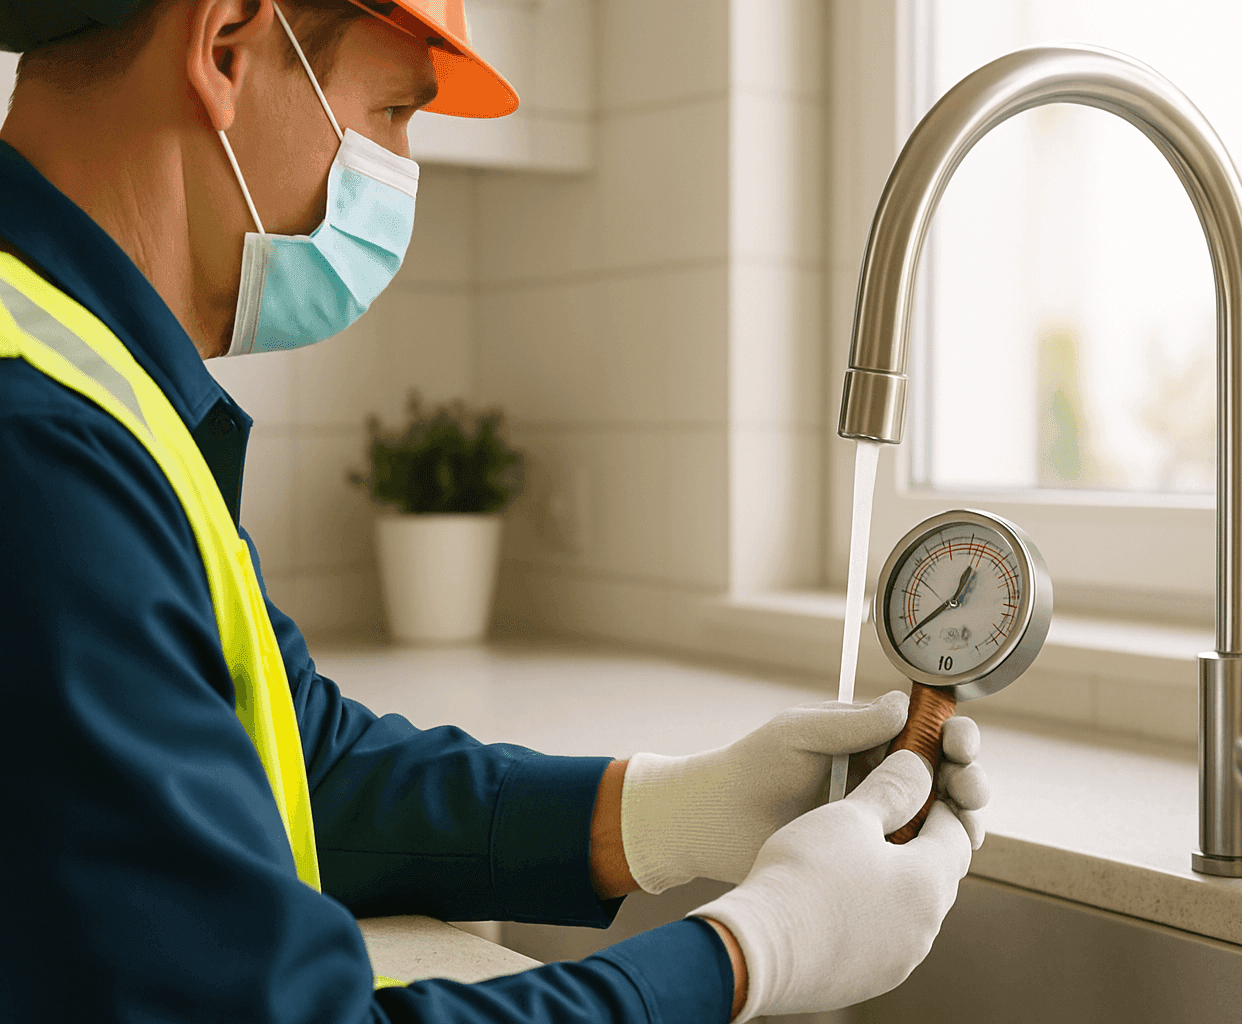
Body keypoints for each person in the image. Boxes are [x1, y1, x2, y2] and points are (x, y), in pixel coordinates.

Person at [0, 2, 990, 1021]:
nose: (399, 170)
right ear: (223, 49)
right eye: (393, 112)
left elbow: (296, 763)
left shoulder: (82, 375)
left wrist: (680, 809)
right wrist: (753, 950)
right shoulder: (41, 446)